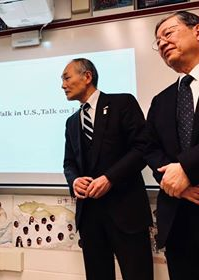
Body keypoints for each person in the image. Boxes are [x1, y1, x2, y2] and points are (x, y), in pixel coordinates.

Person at [145, 10, 199, 280]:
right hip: (179, 222)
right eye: (157, 41)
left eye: (168, 33)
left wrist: (187, 168)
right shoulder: (161, 100)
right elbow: (149, 148)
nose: (161, 43)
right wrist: (177, 184)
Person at [62, 58, 153, 280]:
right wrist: (74, 181)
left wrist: (109, 178)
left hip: (127, 212)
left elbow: (143, 148)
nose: (62, 85)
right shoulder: (72, 122)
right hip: (90, 217)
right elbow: (69, 163)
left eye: (66, 77)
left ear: (87, 77)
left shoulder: (122, 103)